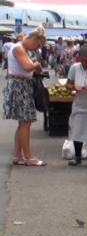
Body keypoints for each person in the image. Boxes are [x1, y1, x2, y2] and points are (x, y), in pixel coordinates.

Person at [3, 27, 46, 166]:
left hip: (20, 85)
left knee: (23, 122)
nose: (37, 48)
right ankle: (29, 156)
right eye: (38, 45)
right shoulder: (19, 48)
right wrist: (37, 64)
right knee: (26, 122)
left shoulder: (20, 48)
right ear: (33, 39)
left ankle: (17, 154)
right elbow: (27, 67)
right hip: (19, 86)